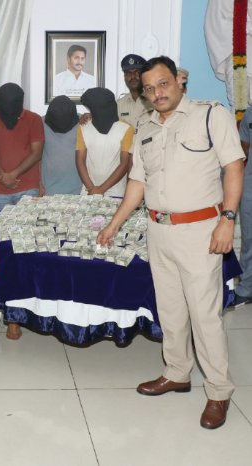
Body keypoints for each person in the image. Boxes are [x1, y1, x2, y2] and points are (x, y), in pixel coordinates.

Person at [97, 56, 245, 429]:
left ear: (179, 80)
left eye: (163, 84)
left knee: (204, 315)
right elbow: (137, 182)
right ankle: (177, 372)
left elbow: (233, 166)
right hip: (158, 230)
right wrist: (114, 224)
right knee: (170, 309)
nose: (157, 93)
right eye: (149, 88)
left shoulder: (210, 115)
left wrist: (227, 219)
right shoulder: (145, 126)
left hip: (200, 231)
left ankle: (218, 391)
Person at [0, 83, 44, 213]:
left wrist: (12, 175)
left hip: (28, 187)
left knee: (28, 225)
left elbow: (37, 153)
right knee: (1, 226)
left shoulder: (34, 119)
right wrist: (2, 175)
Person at [76, 87, 133, 198]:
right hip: (88, 191)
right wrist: (91, 188)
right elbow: (80, 161)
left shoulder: (126, 129)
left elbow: (125, 164)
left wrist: (101, 189)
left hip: (116, 193)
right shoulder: (83, 127)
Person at [41, 95, 83, 195]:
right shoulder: (40, 123)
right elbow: (36, 155)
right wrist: (38, 183)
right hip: (48, 187)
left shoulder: (83, 121)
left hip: (78, 187)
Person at [233, 105, 252, 306]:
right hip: (250, 183)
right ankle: (247, 287)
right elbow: (244, 144)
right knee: (249, 238)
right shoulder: (250, 113)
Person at [117, 53, 152, 129]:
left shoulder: (154, 100)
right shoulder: (119, 105)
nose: (133, 76)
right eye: (129, 73)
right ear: (124, 77)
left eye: (137, 72)